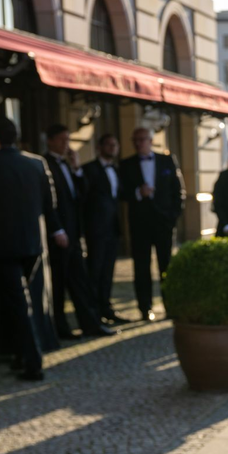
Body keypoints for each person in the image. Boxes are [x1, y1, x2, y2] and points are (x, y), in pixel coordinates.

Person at [0, 115, 58, 380]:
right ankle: (19, 355)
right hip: (32, 245)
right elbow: (50, 204)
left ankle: (33, 362)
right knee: (15, 301)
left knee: (17, 302)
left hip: (1, 247)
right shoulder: (36, 163)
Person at [43, 124, 113, 339]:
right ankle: (60, 328)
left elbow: (82, 195)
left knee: (80, 281)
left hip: (73, 233)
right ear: (50, 141)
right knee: (58, 283)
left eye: (68, 140)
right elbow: (47, 202)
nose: (66, 144)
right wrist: (57, 229)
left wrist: (77, 169)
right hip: (58, 235)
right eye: (62, 140)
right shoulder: (44, 164)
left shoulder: (67, 164)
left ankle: (90, 324)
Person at [119, 128, 184, 321]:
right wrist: (138, 193)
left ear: (150, 140)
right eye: (135, 140)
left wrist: (173, 217)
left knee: (166, 266)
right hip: (140, 224)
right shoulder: (126, 164)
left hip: (164, 223)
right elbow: (120, 192)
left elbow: (178, 190)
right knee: (141, 267)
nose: (139, 143)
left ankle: (170, 306)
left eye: (142, 139)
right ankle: (145, 308)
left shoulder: (166, 160)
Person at [80, 133, 126, 324]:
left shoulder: (116, 169)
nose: (112, 148)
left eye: (115, 144)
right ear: (99, 147)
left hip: (112, 228)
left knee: (108, 271)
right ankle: (93, 312)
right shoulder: (88, 169)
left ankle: (106, 308)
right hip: (96, 229)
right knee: (95, 271)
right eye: (108, 144)